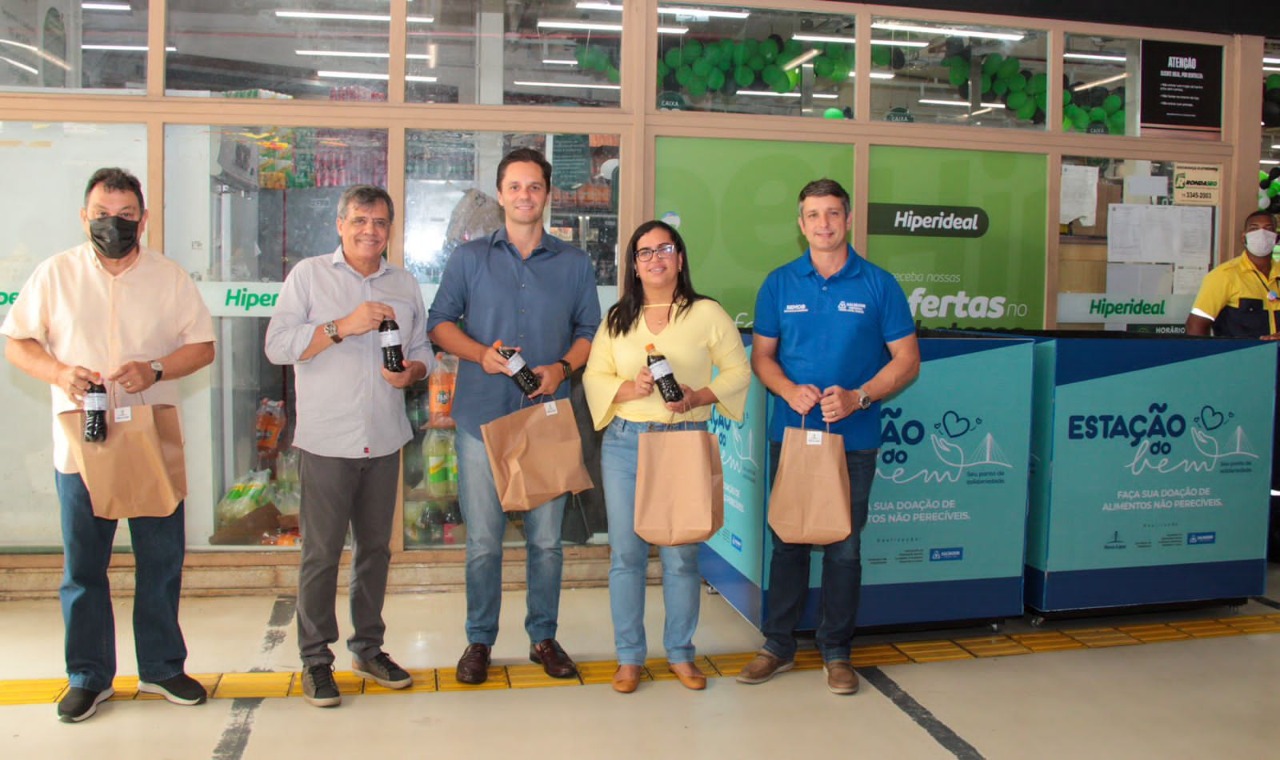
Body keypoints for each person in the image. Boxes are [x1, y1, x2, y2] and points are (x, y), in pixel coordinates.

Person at [1, 167, 216, 722]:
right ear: (84, 216)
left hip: (148, 446)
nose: (112, 225)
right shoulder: (55, 275)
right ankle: (88, 676)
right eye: (101, 215)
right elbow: (16, 341)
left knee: (161, 562)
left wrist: (157, 368)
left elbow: (202, 347)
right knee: (83, 569)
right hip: (81, 448)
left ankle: (163, 667)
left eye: (124, 216)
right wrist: (57, 372)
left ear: (143, 219)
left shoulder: (169, 278)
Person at [736, 178, 919, 696]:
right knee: (787, 542)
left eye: (832, 213)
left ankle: (837, 651)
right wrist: (788, 390)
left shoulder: (878, 284)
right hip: (792, 437)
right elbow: (762, 358)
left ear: (848, 219)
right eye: (813, 215)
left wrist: (861, 396)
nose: (823, 224)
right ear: (801, 224)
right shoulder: (779, 284)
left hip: (854, 440)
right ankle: (777, 645)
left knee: (844, 547)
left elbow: (907, 361)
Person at [428, 147, 601, 684]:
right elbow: (439, 324)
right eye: (515, 186)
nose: (525, 195)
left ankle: (542, 637)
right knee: (483, 542)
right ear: (501, 193)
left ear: (547, 195)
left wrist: (562, 368)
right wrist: (480, 354)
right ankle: (479, 640)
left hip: (545, 417)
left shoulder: (573, 264)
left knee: (546, 542)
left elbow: (590, 332)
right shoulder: (469, 258)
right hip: (482, 417)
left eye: (534, 186)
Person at [264, 185, 432, 708]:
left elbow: (422, 347)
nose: (370, 231)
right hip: (327, 441)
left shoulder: (403, 283)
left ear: (390, 229)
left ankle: (368, 647)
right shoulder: (309, 276)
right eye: (360, 220)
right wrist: (342, 326)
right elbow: (278, 345)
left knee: (375, 552)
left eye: (380, 222)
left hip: (383, 439)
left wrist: (412, 372)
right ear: (340, 225)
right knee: (320, 554)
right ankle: (316, 660)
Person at [583, 220, 750, 694]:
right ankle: (630, 657)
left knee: (681, 554)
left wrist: (699, 395)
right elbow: (595, 374)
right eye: (644, 253)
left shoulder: (706, 313)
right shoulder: (617, 317)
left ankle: (680, 652)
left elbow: (739, 371)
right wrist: (625, 387)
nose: (655, 259)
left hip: (681, 440)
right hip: (625, 443)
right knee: (626, 556)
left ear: (680, 257)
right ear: (633, 266)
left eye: (665, 249)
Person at [1186, 211, 1279, 337]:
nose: (1261, 234)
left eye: (1268, 229)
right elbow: (1196, 326)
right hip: (1239, 355)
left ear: (1276, 238)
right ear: (1243, 237)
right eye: (1254, 228)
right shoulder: (1223, 275)